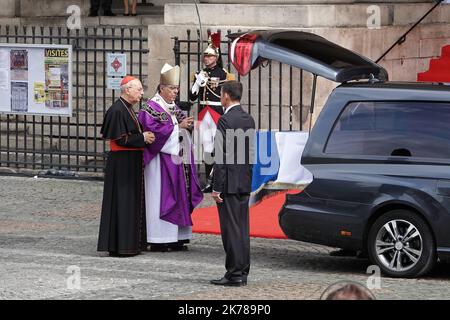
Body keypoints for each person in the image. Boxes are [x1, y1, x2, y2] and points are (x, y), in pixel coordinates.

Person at [138, 63, 203, 252]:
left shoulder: (172, 107)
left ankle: (177, 237)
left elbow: (180, 124)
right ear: (162, 88)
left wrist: (187, 125)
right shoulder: (150, 108)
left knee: (180, 195)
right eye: (172, 89)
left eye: (177, 89)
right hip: (160, 163)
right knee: (163, 197)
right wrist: (179, 128)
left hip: (177, 162)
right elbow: (154, 133)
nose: (175, 92)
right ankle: (159, 238)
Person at [97, 76, 155, 257]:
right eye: (138, 89)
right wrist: (143, 138)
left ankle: (130, 244)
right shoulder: (117, 110)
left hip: (130, 162)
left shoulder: (128, 108)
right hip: (122, 164)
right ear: (127, 90)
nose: (142, 93)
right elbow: (120, 140)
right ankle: (122, 245)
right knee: (123, 203)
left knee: (129, 203)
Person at [210, 81, 255, 286]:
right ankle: (242, 271)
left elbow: (221, 157)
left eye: (221, 93)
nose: (220, 97)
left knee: (230, 230)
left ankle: (234, 273)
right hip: (243, 180)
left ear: (226, 95)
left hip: (228, 182)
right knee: (242, 228)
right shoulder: (249, 119)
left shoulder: (225, 120)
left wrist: (216, 186)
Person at [189, 32, 235, 193]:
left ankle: (218, 180)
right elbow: (191, 97)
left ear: (215, 58)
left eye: (209, 56)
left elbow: (228, 96)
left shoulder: (223, 74)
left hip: (216, 112)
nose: (206, 59)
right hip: (203, 112)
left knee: (218, 147)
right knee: (206, 147)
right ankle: (209, 180)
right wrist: (197, 83)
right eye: (205, 56)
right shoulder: (199, 73)